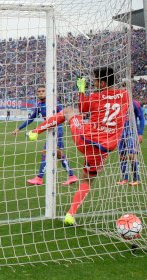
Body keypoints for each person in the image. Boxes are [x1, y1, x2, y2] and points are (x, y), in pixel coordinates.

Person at [27, 67, 129, 225]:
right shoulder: (124, 95)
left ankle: (35, 131)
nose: (93, 83)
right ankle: (71, 213)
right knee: (87, 180)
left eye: (94, 80)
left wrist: (81, 90)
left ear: (102, 82)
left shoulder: (94, 97)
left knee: (68, 111)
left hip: (84, 139)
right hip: (103, 149)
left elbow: (82, 107)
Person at [12, 85, 77, 186]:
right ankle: (72, 176)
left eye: (43, 91)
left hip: (57, 130)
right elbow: (31, 118)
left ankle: (39, 178)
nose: (41, 92)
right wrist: (19, 128)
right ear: (37, 93)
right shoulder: (39, 105)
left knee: (45, 152)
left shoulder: (53, 103)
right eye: (39, 91)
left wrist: (72, 120)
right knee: (59, 155)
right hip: (50, 131)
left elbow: (65, 112)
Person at [117, 99, 144, 186]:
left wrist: (140, 133)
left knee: (132, 155)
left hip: (131, 131)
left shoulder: (135, 103)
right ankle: (125, 178)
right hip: (120, 133)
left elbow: (141, 118)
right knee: (122, 156)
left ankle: (136, 178)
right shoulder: (117, 101)